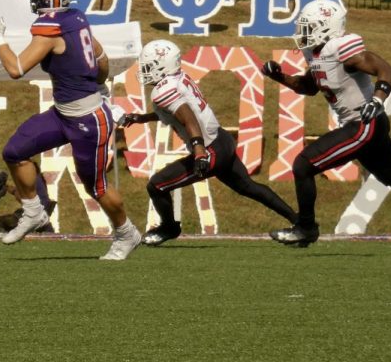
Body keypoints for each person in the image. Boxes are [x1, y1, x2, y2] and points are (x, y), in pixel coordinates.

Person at [260, 0, 391, 253]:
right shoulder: (317, 53)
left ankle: (306, 227)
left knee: (303, 164)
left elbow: (385, 69)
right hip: (365, 125)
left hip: (363, 123)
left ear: (326, 27)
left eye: (308, 27)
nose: (302, 33)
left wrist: (377, 99)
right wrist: (280, 76)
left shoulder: (341, 48)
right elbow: (308, 87)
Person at [0, 0, 143, 260]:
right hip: (64, 114)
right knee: (15, 150)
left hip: (88, 120)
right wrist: (100, 82)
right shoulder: (75, 16)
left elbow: (16, 68)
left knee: (96, 186)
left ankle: (126, 233)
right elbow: (101, 56)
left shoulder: (50, 27)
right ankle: (33, 212)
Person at [127, 39, 298, 246]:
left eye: (149, 66)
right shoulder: (178, 78)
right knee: (249, 187)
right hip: (222, 140)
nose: (145, 71)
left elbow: (187, 117)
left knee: (157, 185)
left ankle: (169, 228)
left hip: (209, 150)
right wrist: (142, 118)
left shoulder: (163, 90)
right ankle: (299, 221)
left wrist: (199, 152)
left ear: (162, 66)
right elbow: (177, 112)